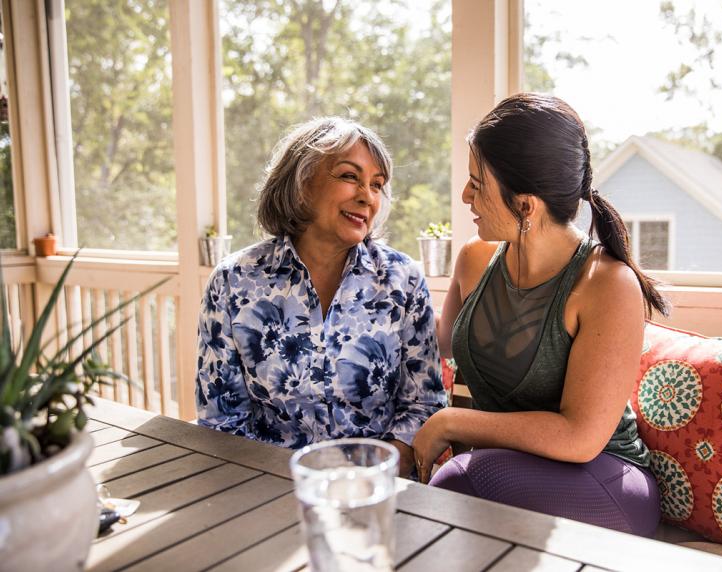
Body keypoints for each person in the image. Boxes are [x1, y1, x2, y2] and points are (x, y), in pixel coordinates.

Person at [412, 93, 668, 536]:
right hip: (502, 471)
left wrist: (452, 421)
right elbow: (444, 341)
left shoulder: (605, 284)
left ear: (525, 206)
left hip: (604, 480)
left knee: (458, 480)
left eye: (478, 183)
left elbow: (580, 437)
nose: (464, 194)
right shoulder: (475, 261)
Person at [196, 117, 446, 477]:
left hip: (375, 490)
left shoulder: (402, 280)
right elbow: (222, 418)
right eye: (349, 176)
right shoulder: (233, 281)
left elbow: (424, 403)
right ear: (301, 184)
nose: (367, 196)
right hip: (265, 490)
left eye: (377, 185)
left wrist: (380, 471)